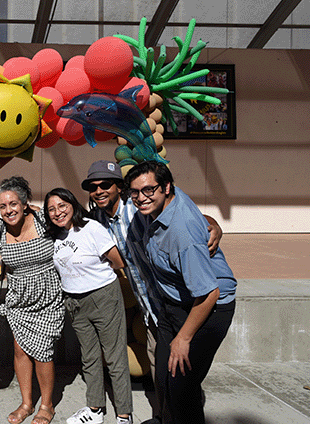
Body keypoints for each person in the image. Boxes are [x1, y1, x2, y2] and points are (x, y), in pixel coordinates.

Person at [82, 160, 223, 424]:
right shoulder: (96, 221)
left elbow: (184, 213)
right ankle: (164, 417)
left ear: (119, 187)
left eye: (105, 184)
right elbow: (63, 218)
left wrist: (213, 223)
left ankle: (176, 415)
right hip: (150, 306)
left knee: (179, 377)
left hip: (176, 302)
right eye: (92, 186)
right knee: (162, 373)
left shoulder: (139, 207)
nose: (98, 190)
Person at [125, 161, 236, 424]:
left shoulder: (180, 231)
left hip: (208, 307)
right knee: (163, 375)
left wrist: (184, 338)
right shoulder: (165, 200)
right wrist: (211, 222)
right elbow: (199, 215)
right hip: (173, 301)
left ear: (166, 188)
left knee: (182, 386)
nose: (141, 198)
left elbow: (209, 293)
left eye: (148, 190)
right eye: (135, 192)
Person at [44, 188, 133, 424]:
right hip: (74, 301)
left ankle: (124, 414)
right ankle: (95, 409)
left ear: (73, 204)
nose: (57, 212)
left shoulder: (91, 228)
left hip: (103, 296)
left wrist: (94, 277)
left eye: (62, 205)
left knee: (115, 358)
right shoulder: (55, 236)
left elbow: (118, 261)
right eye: (51, 209)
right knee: (89, 357)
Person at [0, 176, 63, 424]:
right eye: (3, 206)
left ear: (25, 204)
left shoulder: (44, 219)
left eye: (13, 204)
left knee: (43, 352)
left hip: (49, 295)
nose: (8, 210)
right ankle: (26, 403)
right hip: (19, 299)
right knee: (20, 350)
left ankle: (47, 405)